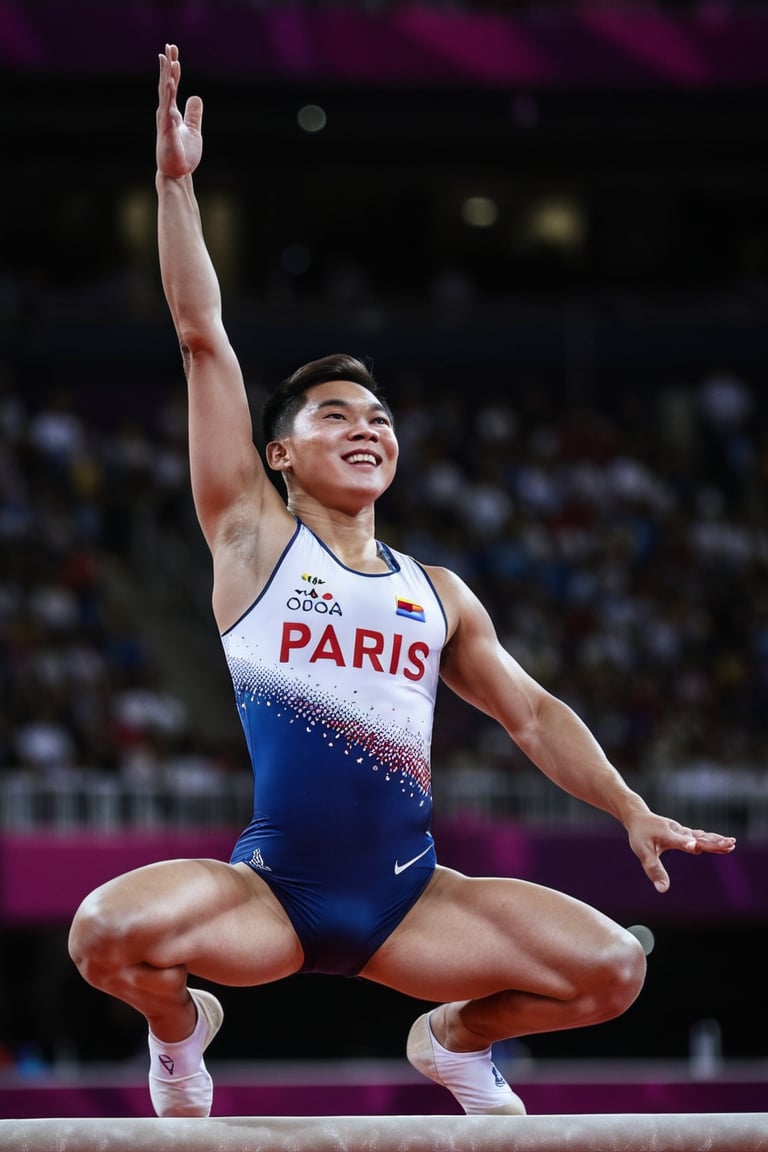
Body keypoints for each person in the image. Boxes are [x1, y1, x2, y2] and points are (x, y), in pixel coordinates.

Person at [68, 44, 736, 1120]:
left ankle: (456, 1044)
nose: (365, 426)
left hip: (414, 899)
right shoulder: (250, 536)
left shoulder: (437, 591)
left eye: (377, 416)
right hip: (272, 897)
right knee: (101, 935)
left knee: (614, 969)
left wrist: (628, 806)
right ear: (280, 455)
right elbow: (202, 339)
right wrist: (175, 187)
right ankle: (183, 1030)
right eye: (334, 414)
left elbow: (528, 709)